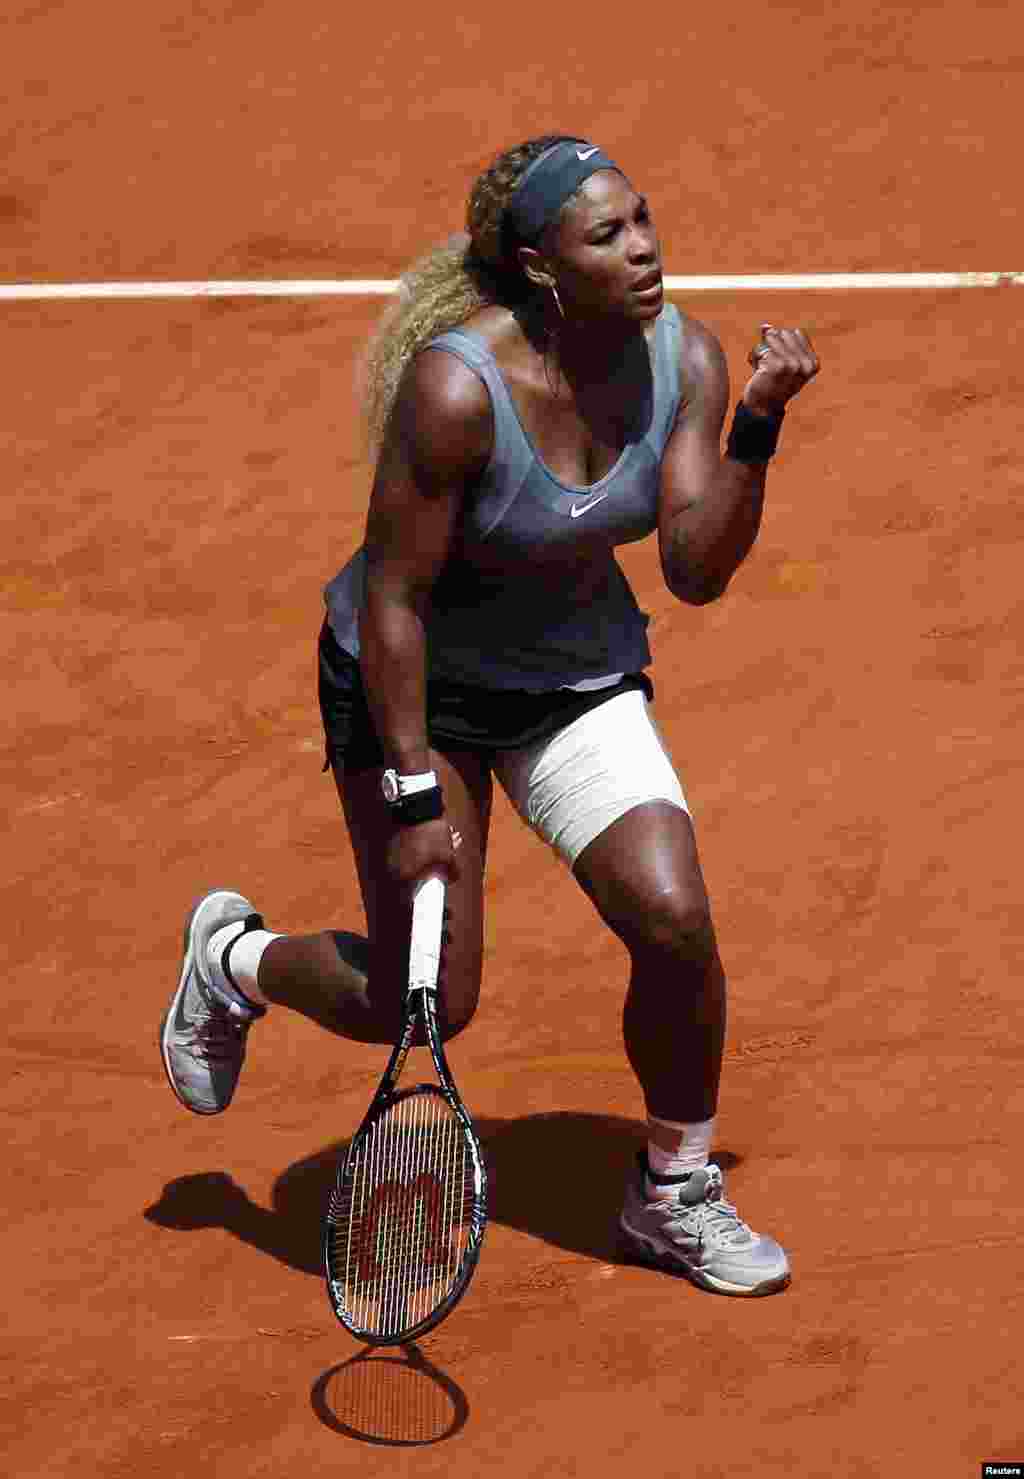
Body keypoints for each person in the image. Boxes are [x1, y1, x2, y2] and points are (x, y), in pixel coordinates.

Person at [160, 134, 819, 1297]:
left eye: (644, 218)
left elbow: (695, 568)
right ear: (539, 265)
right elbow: (394, 596)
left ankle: (674, 1190)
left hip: (569, 676)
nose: (646, 248)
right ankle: (234, 960)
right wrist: (414, 787)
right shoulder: (457, 389)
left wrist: (755, 432)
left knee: (673, 917)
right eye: (606, 234)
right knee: (426, 1002)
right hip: (417, 690)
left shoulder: (687, 359)